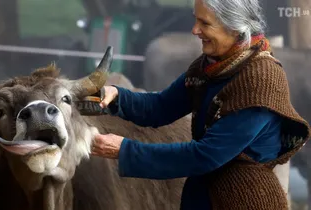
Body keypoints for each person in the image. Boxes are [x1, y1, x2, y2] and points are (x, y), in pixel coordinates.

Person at [90, 0, 311, 209]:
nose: (195, 30)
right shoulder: (209, 67)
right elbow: (159, 107)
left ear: (234, 28)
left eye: (204, 23)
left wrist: (125, 150)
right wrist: (117, 95)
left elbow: (206, 155)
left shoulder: (260, 80)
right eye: (196, 20)